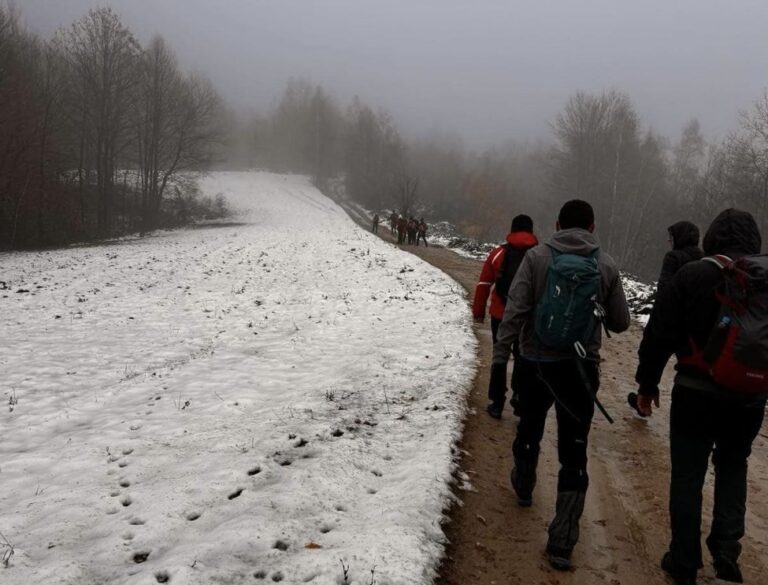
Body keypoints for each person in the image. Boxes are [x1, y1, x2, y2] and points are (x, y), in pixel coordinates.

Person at [492, 200, 630, 570]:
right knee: (574, 450)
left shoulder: (537, 257)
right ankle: (562, 542)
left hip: (535, 364)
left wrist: (500, 358)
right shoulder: (606, 264)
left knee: (529, 427)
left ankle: (524, 483)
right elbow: (620, 323)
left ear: (557, 224)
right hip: (580, 372)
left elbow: (516, 310)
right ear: (593, 226)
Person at [634, 209, 765, 585]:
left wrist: (647, 384)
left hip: (695, 391)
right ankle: (727, 552)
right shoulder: (763, 280)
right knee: (733, 465)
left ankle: (684, 559)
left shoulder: (691, 274)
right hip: (749, 395)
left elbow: (658, 333)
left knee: (688, 475)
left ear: (712, 237)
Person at [472, 214, 538, 418]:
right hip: (527, 318)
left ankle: (497, 402)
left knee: (500, 355)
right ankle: (519, 397)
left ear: (512, 229)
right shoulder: (539, 255)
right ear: (531, 231)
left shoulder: (498, 253)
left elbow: (484, 283)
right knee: (523, 356)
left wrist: (478, 310)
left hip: (500, 314)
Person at [658, 221, 703, 291]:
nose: (669, 240)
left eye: (671, 237)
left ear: (679, 237)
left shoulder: (673, 257)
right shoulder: (704, 258)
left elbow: (664, 289)